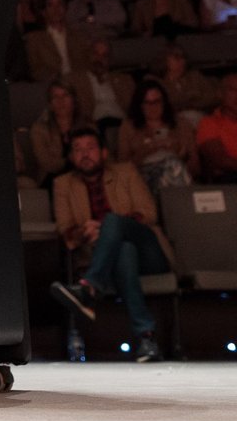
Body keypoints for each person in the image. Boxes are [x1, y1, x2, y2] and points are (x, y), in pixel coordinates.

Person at [48, 128, 172, 363]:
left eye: (91, 148)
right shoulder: (63, 184)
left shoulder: (126, 172)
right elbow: (66, 232)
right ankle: (147, 338)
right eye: (78, 150)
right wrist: (86, 231)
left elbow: (149, 213)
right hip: (110, 259)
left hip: (149, 252)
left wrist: (107, 229)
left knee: (114, 222)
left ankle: (89, 288)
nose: (85, 154)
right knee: (125, 252)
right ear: (72, 157)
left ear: (104, 153)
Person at [116, 79, 197, 191]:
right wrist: (148, 149)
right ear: (140, 105)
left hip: (178, 171)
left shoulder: (181, 124)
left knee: (173, 165)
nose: (153, 107)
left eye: (157, 102)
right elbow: (123, 167)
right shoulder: (129, 127)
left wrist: (178, 150)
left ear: (164, 102)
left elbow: (195, 165)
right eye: (147, 103)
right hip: (143, 175)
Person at [30, 80, 93, 183]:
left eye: (65, 95)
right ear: (50, 103)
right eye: (55, 97)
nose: (61, 101)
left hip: (86, 175)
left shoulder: (88, 126)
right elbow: (46, 163)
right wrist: (69, 160)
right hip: (53, 178)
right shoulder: (39, 130)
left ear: (74, 100)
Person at [25, 0, 95, 84]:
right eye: (50, 5)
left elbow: (88, 63)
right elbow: (35, 69)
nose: (56, 9)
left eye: (59, 4)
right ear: (44, 12)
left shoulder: (80, 36)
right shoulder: (34, 39)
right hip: (50, 85)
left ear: (65, 9)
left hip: (80, 83)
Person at [75, 38, 135, 137]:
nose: (99, 59)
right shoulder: (76, 81)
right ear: (88, 55)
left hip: (122, 125)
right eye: (96, 54)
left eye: (104, 56)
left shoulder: (125, 81)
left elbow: (136, 107)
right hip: (94, 126)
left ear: (110, 60)